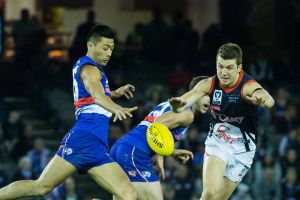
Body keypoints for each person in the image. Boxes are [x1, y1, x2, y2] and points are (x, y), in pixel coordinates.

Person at [0, 25, 138, 200]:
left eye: (111, 48)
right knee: (41, 187)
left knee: (128, 194)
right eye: (105, 48)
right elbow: (96, 95)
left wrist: (114, 93)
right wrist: (117, 108)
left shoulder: (91, 69)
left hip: (97, 146)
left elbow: (93, 95)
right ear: (91, 45)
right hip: (84, 139)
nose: (109, 53)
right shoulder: (90, 69)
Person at [169, 43, 275, 200]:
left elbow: (268, 99)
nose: (223, 72)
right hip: (218, 142)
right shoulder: (208, 83)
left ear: (239, 67)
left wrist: (264, 100)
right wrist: (177, 106)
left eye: (229, 67)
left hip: (243, 150)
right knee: (209, 194)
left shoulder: (247, 85)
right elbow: (183, 103)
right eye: (220, 66)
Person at [110, 76, 210, 200]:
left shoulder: (172, 104)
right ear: (196, 92)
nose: (210, 100)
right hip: (135, 152)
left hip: (124, 148)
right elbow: (158, 125)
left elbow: (157, 129)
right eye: (207, 94)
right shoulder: (188, 114)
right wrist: (160, 155)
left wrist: (171, 151)